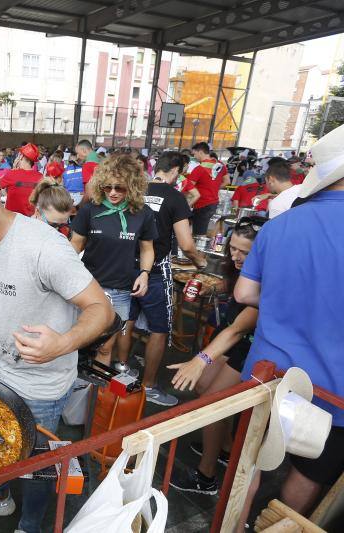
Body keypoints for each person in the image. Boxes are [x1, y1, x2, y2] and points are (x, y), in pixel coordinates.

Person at [0, 155, 114, 533]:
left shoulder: (44, 247)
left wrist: (63, 343)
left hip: (41, 385)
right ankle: (2, 496)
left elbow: (102, 309)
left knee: (37, 467)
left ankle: (31, 524)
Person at [233, 125, 344, 517]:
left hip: (268, 375)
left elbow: (244, 294)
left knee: (249, 463)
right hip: (335, 387)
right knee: (310, 471)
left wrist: (285, 297)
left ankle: (234, 524)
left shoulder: (279, 225)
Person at [168, 217, 264, 495]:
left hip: (247, 345)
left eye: (245, 252)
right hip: (231, 339)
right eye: (233, 248)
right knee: (203, 388)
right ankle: (223, 447)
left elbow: (238, 328)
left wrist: (201, 360)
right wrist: (208, 288)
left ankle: (206, 476)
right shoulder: (239, 269)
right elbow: (233, 289)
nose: (236, 256)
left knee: (211, 403)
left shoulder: (269, 274)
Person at [116, 152, 207, 406]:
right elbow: (187, 243)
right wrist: (200, 261)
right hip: (156, 270)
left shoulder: (136, 190)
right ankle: (149, 385)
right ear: (176, 170)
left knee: (128, 319)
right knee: (160, 329)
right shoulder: (176, 197)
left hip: (128, 265)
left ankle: (122, 370)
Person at [71, 154, 157, 366]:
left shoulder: (142, 214)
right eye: (107, 187)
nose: (113, 193)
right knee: (76, 340)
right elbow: (75, 245)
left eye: (120, 188)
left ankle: (97, 394)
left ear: (133, 186)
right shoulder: (91, 209)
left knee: (106, 346)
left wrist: (145, 274)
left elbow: (147, 249)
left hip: (120, 290)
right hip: (87, 287)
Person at [188, 142, 228, 235]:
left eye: (195, 154)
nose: (194, 157)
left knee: (199, 236)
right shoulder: (220, 165)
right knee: (208, 233)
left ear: (201, 152)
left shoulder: (199, 169)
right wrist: (214, 187)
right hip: (214, 203)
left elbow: (189, 187)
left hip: (201, 205)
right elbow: (227, 181)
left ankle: (199, 249)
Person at [0, 143, 43, 217]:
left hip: (11, 221)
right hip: (31, 220)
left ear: (21, 156)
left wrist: (13, 169)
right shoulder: (41, 177)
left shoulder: (12, 174)